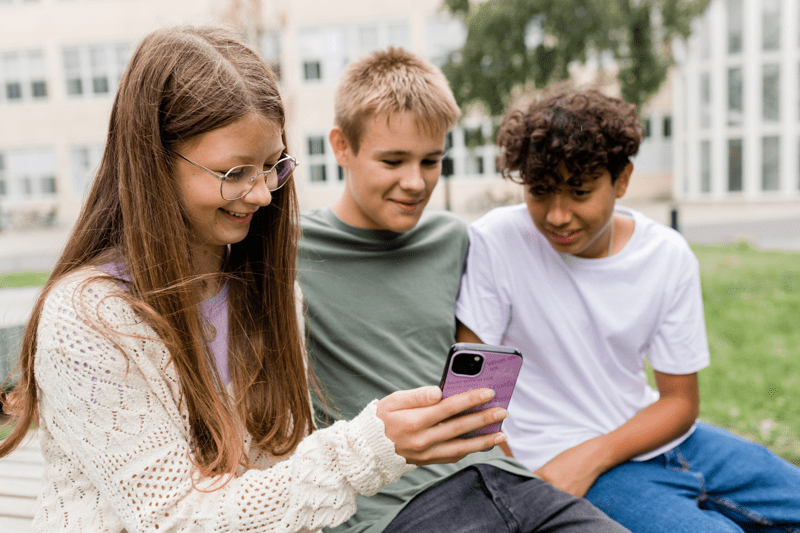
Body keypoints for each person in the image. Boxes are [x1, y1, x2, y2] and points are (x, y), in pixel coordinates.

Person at [0, 26, 514, 533]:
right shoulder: (88, 317)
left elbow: (279, 475)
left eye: (272, 166)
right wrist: (369, 447)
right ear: (153, 162)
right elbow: (172, 519)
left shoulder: (267, 289)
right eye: (235, 173)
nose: (265, 194)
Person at [298, 50, 630, 533]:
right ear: (341, 146)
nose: (415, 182)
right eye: (392, 161)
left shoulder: (451, 239)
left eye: (431, 161)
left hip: (505, 479)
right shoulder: (288, 249)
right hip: (395, 505)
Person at [455, 89, 800, 533]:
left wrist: (592, 454)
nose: (558, 215)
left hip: (657, 439)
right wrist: (525, 493)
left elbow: (679, 401)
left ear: (622, 180)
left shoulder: (665, 254)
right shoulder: (499, 241)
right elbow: (475, 395)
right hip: (557, 463)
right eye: (540, 192)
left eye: (579, 192)